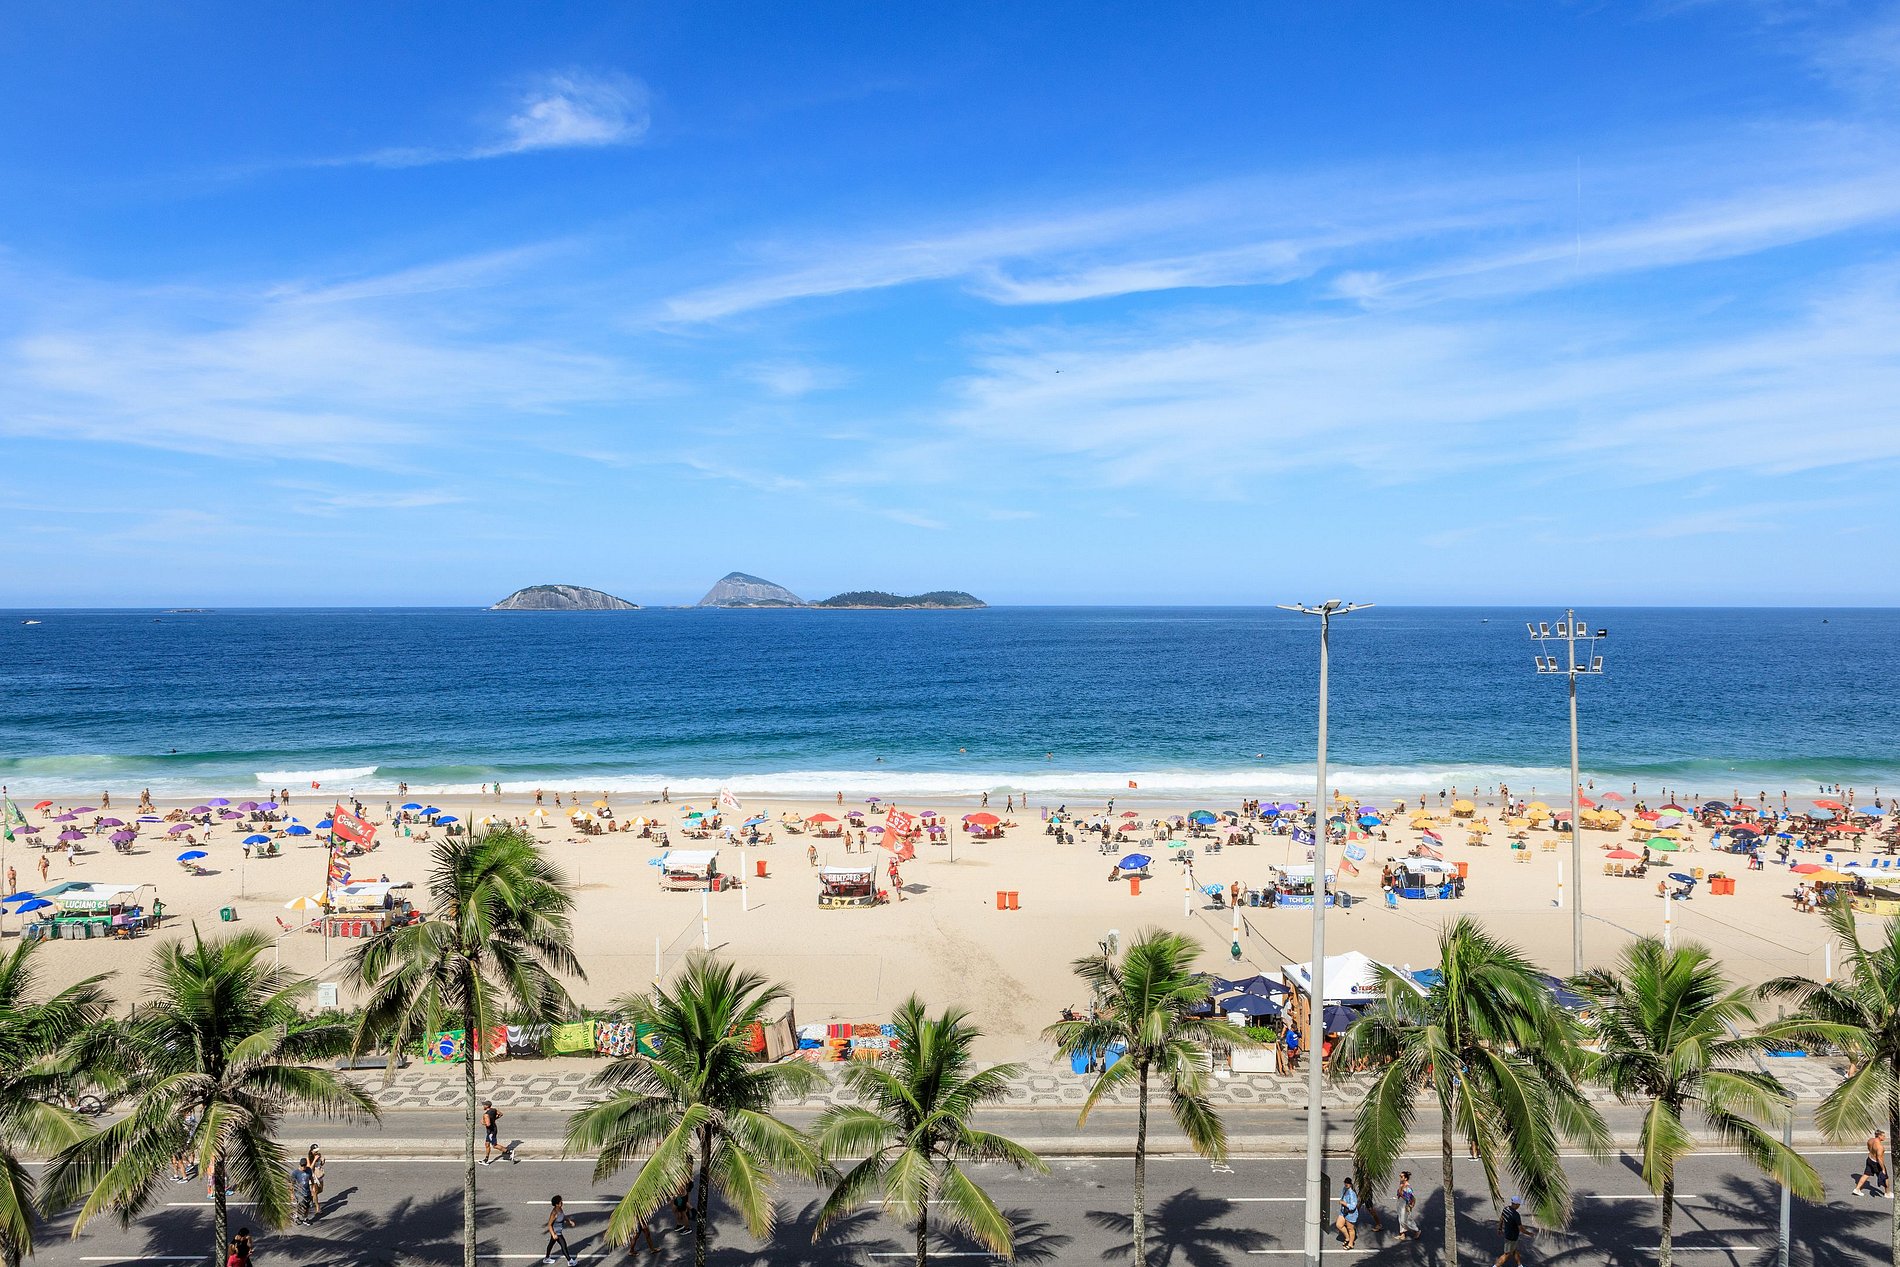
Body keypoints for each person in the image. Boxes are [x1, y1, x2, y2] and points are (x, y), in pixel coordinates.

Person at [543, 1194, 576, 1266]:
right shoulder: (554, 1213)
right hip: (556, 1232)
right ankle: (570, 1261)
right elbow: (549, 1225)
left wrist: (569, 1221)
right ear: (557, 1204)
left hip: (558, 1231)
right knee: (563, 1245)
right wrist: (553, 1234)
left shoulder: (560, 1209)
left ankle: (546, 1258)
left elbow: (563, 1216)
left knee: (551, 1244)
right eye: (560, 1202)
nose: (562, 1203)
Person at [1855, 1128, 1889, 1197]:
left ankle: (1857, 1189)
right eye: (1883, 1136)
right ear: (1879, 1136)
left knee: (1866, 1174)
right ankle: (1887, 1193)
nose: (1885, 1137)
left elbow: (1869, 1148)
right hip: (1876, 1163)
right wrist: (1883, 1169)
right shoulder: (1880, 1147)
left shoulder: (1870, 1140)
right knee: (1885, 1177)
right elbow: (1879, 1159)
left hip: (1869, 1159)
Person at [1494, 1196, 1526, 1265]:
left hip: (1508, 1234)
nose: (1519, 1206)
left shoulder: (1505, 1209)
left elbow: (1501, 1218)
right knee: (1506, 1254)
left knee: (1514, 1250)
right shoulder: (1516, 1215)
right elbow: (1521, 1228)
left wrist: (1499, 1228)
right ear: (1516, 1204)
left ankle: (1520, 1265)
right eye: (1519, 1204)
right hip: (1512, 1237)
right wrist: (1529, 1233)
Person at [1334, 1177, 1359, 1248]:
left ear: (1350, 1184)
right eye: (1345, 1183)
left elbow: (1353, 1206)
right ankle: (1347, 1238)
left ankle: (1351, 1244)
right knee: (1339, 1225)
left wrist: (1344, 1203)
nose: (1346, 1184)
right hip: (1343, 1211)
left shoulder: (1352, 1194)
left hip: (1350, 1214)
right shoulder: (1344, 1189)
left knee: (1350, 1229)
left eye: (1347, 1183)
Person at [290, 1157, 315, 1225]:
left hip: (307, 1192)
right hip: (299, 1193)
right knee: (299, 1206)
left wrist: (313, 1189)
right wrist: (292, 1194)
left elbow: (311, 1179)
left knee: (307, 1207)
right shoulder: (295, 1173)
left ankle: (305, 1219)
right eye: (302, 1165)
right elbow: (292, 1184)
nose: (303, 1167)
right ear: (300, 1165)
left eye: (304, 1165)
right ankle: (296, 1217)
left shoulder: (309, 1170)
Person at [1396, 1171, 1419, 1240]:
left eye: (1401, 1177)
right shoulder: (1401, 1184)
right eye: (1400, 1176)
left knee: (1405, 1220)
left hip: (1405, 1205)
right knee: (1400, 1218)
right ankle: (1402, 1234)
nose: (1400, 1178)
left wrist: (1412, 1204)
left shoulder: (1407, 1187)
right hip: (1400, 1203)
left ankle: (1416, 1230)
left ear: (1405, 1178)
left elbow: (1411, 1197)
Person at [481, 1100, 506, 1165]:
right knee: (487, 1144)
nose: (483, 1106)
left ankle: (509, 1152)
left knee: (494, 1145)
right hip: (493, 1129)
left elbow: (488, 1124)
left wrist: (483, 1123)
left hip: (491, 1131)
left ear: (487, 1106)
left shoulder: (486, 1115)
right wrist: (494, 1119)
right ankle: (486, 1159)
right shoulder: (494, 1110)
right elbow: (501, 1114)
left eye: (484, 1105)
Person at [305, 1144, 326, 1217]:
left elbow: (321, 1164)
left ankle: (311, 1197)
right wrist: (314, 1160)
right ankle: (317, 1208)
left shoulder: (319, 1156)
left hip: (319, 1176)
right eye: (315, 1151)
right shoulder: (308, 1158)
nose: (316, 1152)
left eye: (317, 1151)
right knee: (315, 1192)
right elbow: (309, 1168)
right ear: (311, 1151)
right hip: (313, 1177)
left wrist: (322, 1160)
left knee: (320, 1190)